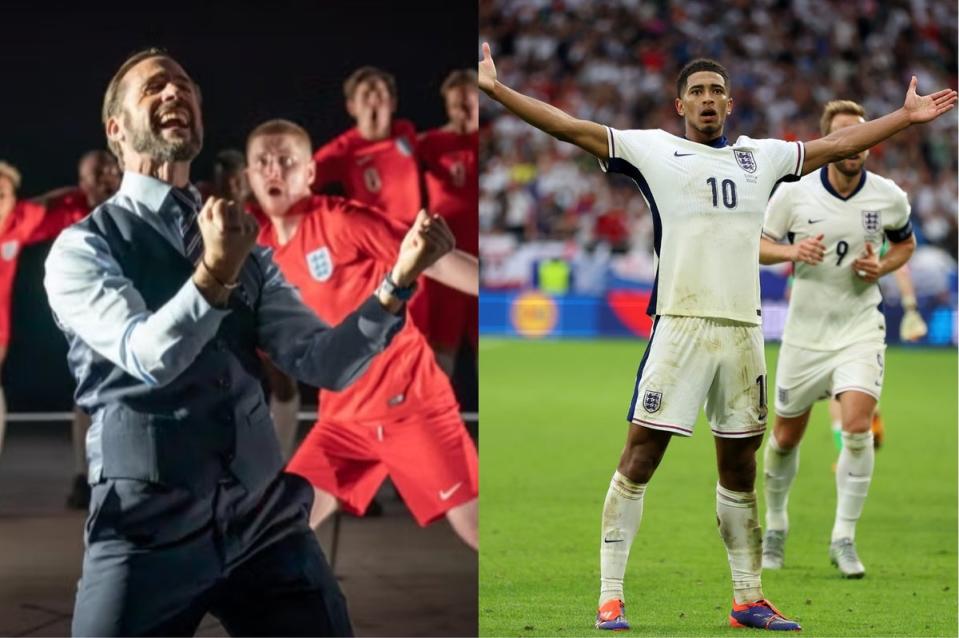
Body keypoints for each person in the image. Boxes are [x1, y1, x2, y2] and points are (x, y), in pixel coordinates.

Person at [478, 42, 956, 631]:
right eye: (697, 92)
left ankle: (747, 598)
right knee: (640, 457)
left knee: (739, 468)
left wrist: (903, 119)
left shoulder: (762, 159)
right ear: (681, 104)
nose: (707, 100)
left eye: (715, 92)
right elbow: (570, 127)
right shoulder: (654, 149)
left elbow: (836, 145)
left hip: (743, 332)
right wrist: (498, 92)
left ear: (729, 104)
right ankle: (609, 594)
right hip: (679, 325)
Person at [43, 48, 454, 637]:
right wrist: (213, 273)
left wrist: (397, 282)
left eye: (186, 86)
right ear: (116, 128)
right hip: (146, 528)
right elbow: (148, 356)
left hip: (263, 520)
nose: (174, 94)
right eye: (154, 87)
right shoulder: (83, 249)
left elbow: (324, 363)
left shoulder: (245, 246)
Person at [247, 118, 479, 549]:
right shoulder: (258, 249)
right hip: (342, 422)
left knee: (477, 529)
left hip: (413, 407)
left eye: (286, 160)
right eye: (263, 161)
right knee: (278, 528)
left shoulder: (341, 221)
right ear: (249, 176)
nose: (274, 170)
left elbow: (433, 259)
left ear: (310, 172)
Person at [759, 100, 920, 578]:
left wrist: (883, 266)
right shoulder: (794, 195)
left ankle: (844, 537)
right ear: (830, 142)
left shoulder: (889, 197)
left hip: (859, 328)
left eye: (862, 136)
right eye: (845, 136)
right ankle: (776, 524)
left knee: (856, 427)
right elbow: (759, 245)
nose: (854, 145)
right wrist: (791, 250)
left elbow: (905, 244)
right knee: (786, 437)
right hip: (805, 333)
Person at [33, 149, 122, 509]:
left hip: (134, 310)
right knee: (88, 395)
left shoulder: (136, 204)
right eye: (95, 174)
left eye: (110, 170)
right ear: (83, 182)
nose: (105, 178)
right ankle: (84, 477)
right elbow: (27, 216)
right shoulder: (70, 210)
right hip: (89, 314)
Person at [418, 70, 480, 376]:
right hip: (446, 261)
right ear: (447, 106)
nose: (464, 111)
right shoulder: (430, 143)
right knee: (442, 347)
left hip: (483, 262)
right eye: (457, 104)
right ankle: (441, 419)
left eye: (469, 102)